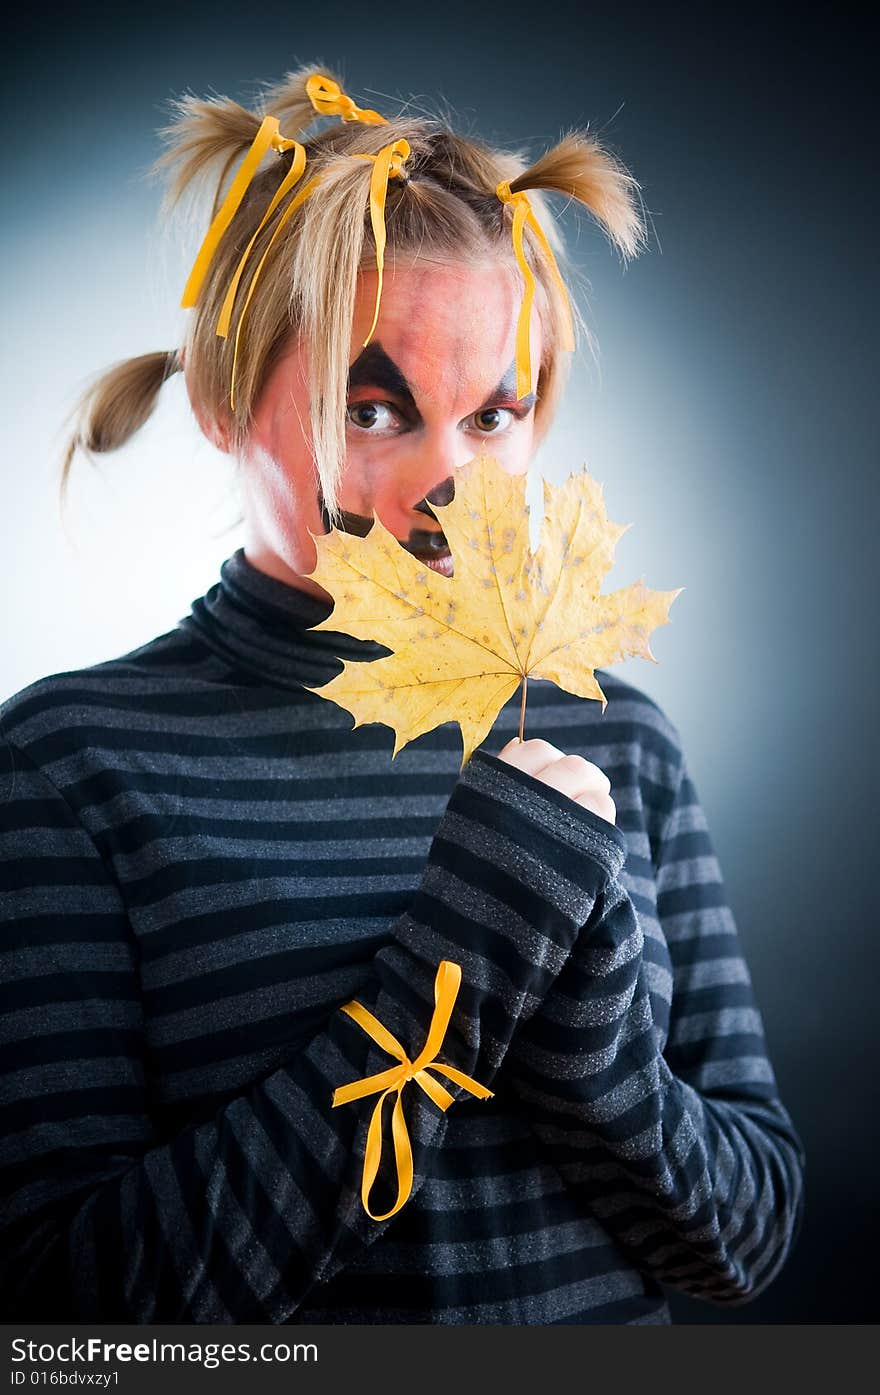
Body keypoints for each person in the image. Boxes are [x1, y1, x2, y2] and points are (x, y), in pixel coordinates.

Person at [0, 66, 805, 1324]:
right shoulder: (68, 766)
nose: (452, 480)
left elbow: (742, 1239)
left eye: (495, 414)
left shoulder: (616, 738)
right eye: (373, 407)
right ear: (221, 398)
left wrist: (591, 1038)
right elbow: (75, 1319)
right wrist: (459, 960)